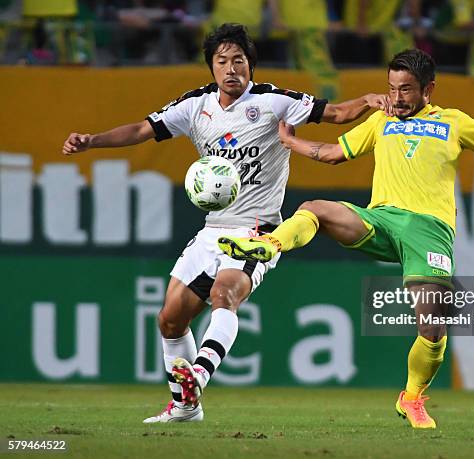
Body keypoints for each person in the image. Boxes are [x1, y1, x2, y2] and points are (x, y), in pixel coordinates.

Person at [62, 22, 391, 423]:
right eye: (223, 62)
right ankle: (185, 407)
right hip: (212, 230)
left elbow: (336, 113)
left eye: (239, 61)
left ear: (250, 66)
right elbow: (140, 130)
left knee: (225, 294)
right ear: (212, 68)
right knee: (169, 319)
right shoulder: (194, 106)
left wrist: (369, 100)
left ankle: (197, 376)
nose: (231, 68)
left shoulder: (274, 101)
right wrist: (92, 140)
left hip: (258, 231)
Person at [218, 49, 474, 429]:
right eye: (392, 88)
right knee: (315, 206)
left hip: (430, 231)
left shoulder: (454, 122)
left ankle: (410, 398)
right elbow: (331, 154)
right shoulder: (381, 121)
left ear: (429, 89)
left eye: (406, 89)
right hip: (381, 220)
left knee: (432, 326)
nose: (397, 97)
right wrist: (292, 143)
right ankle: (268, 245)